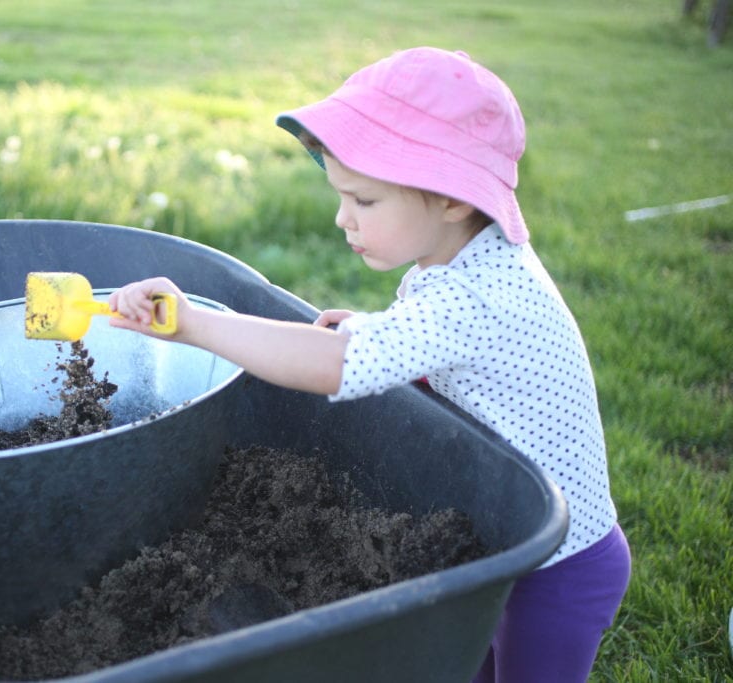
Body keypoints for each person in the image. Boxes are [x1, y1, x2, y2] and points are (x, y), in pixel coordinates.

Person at [107, 46, 630, 682]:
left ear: (452, 200)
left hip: (561, 566)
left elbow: (336, 366)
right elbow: (428, 339)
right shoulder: (468, 260)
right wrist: (370, 327)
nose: (340, 218)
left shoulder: (471, 295)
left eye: (365, 202)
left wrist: (193, 324)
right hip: (516, 538)